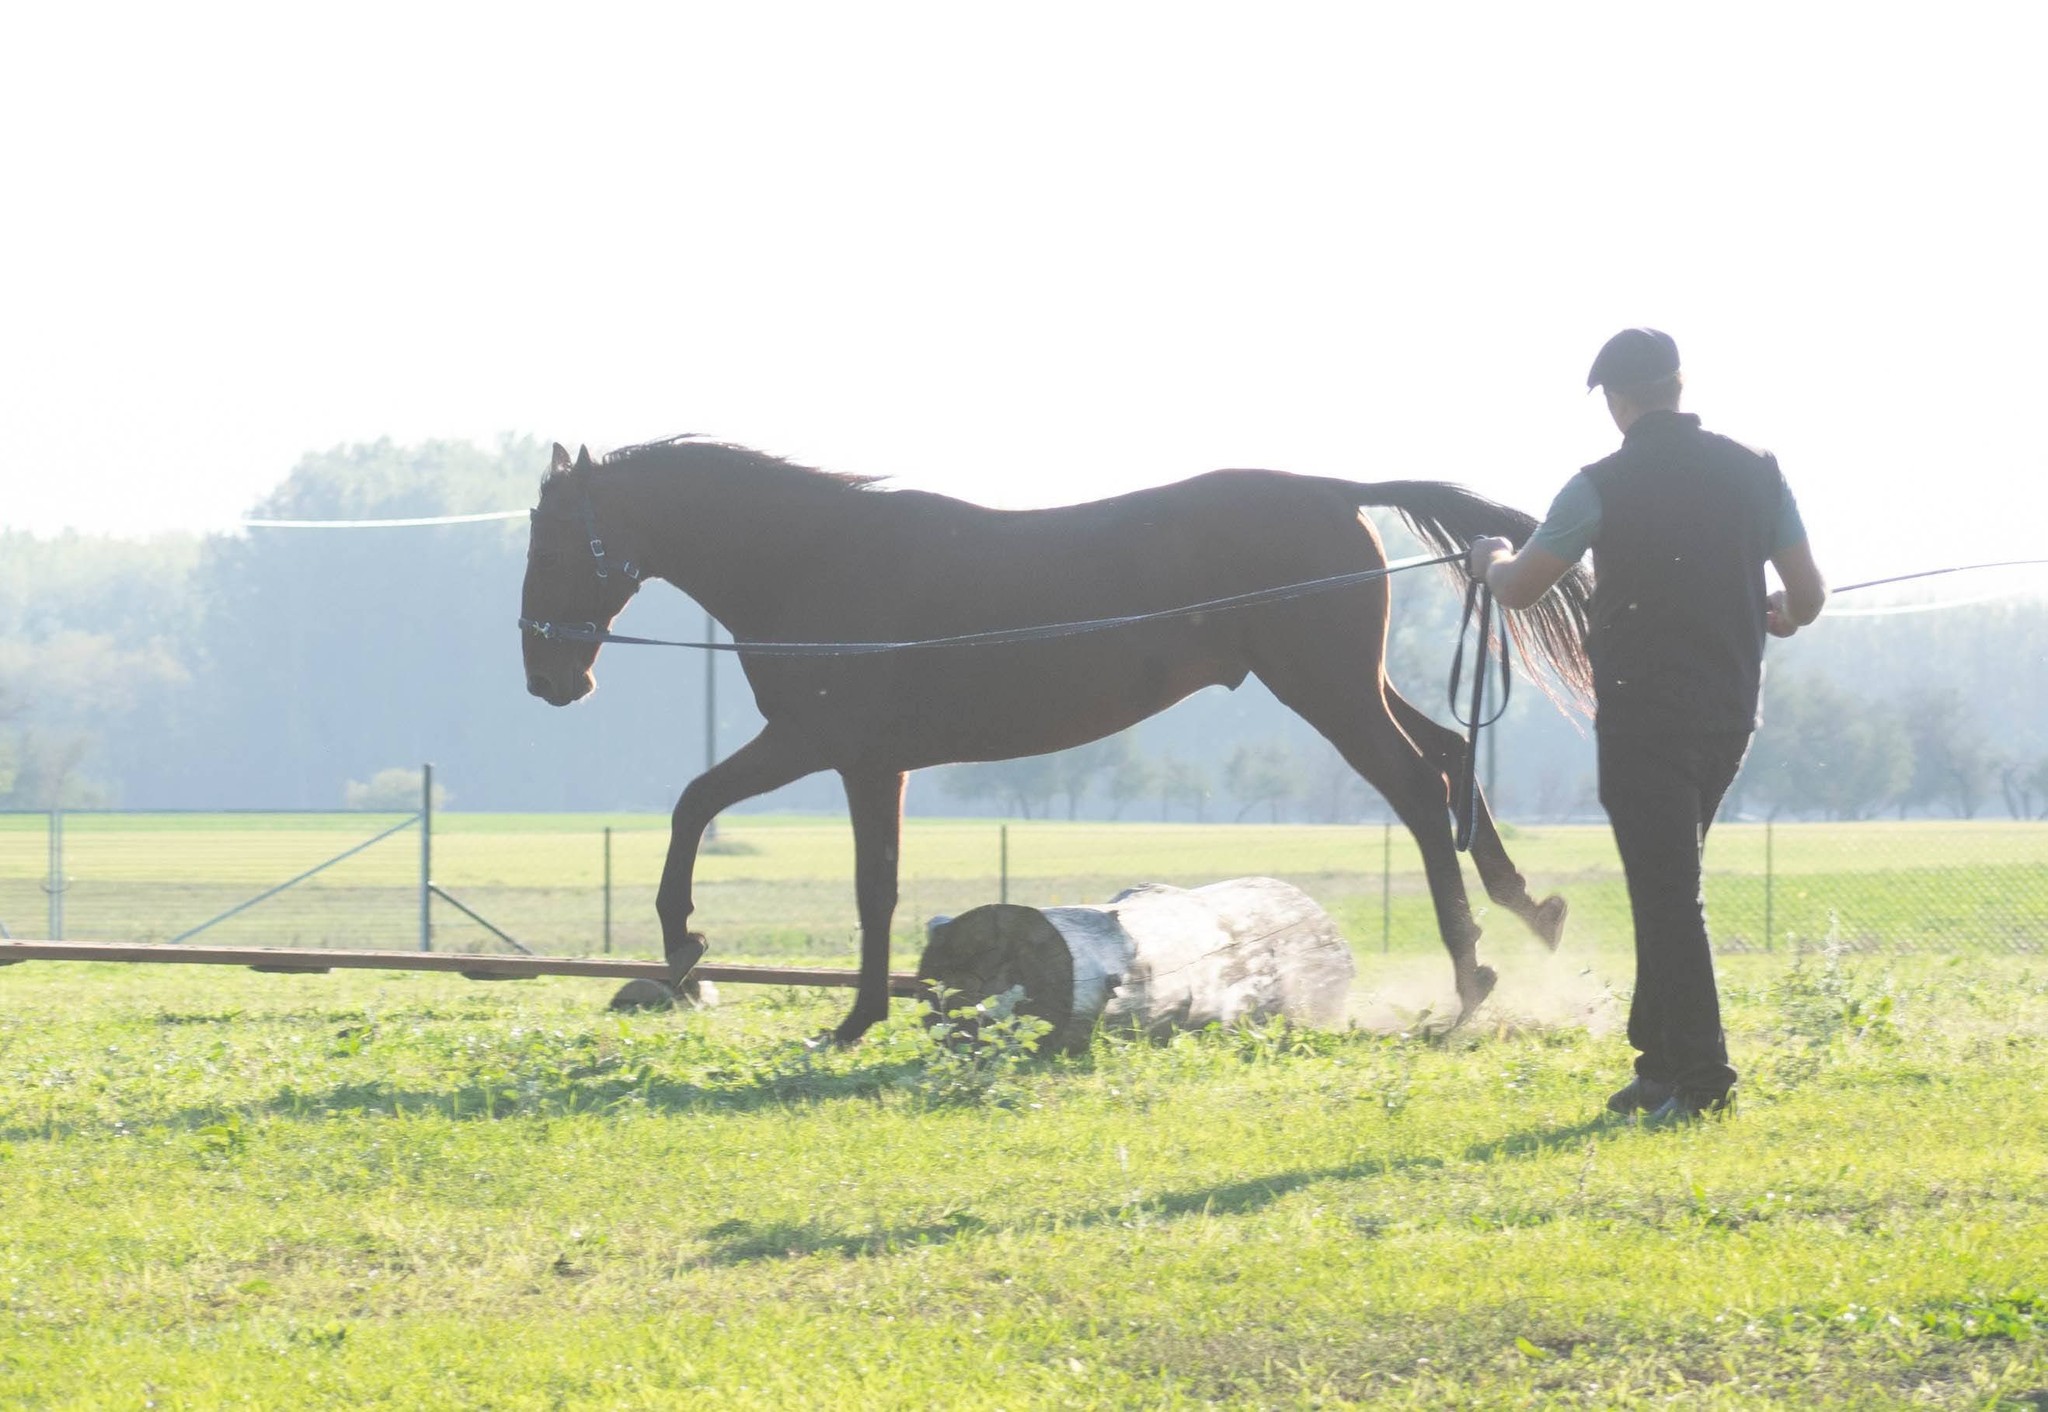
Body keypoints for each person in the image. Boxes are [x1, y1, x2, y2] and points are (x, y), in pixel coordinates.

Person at [1466, 328, 1827, 1124]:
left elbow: (1522, 588)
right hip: (1729, 715)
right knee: (1669, 887)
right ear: (1679, 384)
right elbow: (1808, 593)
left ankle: (1701, 1083)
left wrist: (1488, 559)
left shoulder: (1598, 485)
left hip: (1641, 719)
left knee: (1669, 895)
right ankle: (1658, 1066)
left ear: (1618, 401)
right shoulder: (1756, 471)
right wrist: (1785, 617)